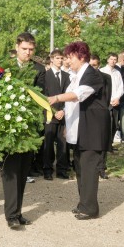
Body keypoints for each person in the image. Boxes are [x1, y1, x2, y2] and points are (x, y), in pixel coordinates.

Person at [48, 41, 110, 220]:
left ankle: (90, 208)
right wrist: (68, 126)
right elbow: (71, 106)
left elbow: (78, 95)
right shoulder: (75, 75)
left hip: (92, 129)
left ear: (81, 57)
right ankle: (83, 203)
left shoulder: (92, 74)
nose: (67, 61)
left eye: (70, 57)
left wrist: (55, 98)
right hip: (79, 128)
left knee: (89, 169)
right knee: (80, 168)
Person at [3, 32, 46, 229]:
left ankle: (18, 212)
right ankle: (11, 215)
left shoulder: (39, 69)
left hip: (29, 127)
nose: (28, 52)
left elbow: (41, 95)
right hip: (9, 127)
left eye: (31, 49)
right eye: (24, 49)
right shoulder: (5, 67)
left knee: (22, 171)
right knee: (11, 171)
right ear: (17, 47)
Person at [42, 49, 71, 180]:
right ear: (52, 59)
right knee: (48, 144)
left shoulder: (66, 76)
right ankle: (47, 169)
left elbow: (69, 95)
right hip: (49, 114)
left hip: (63, 114)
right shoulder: (45, 75)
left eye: (61, 58)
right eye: (57, 58)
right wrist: (54, 112)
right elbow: (43, 96)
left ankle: (62, 169)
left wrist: (63, 110)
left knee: (63, 143)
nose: (60, 60)